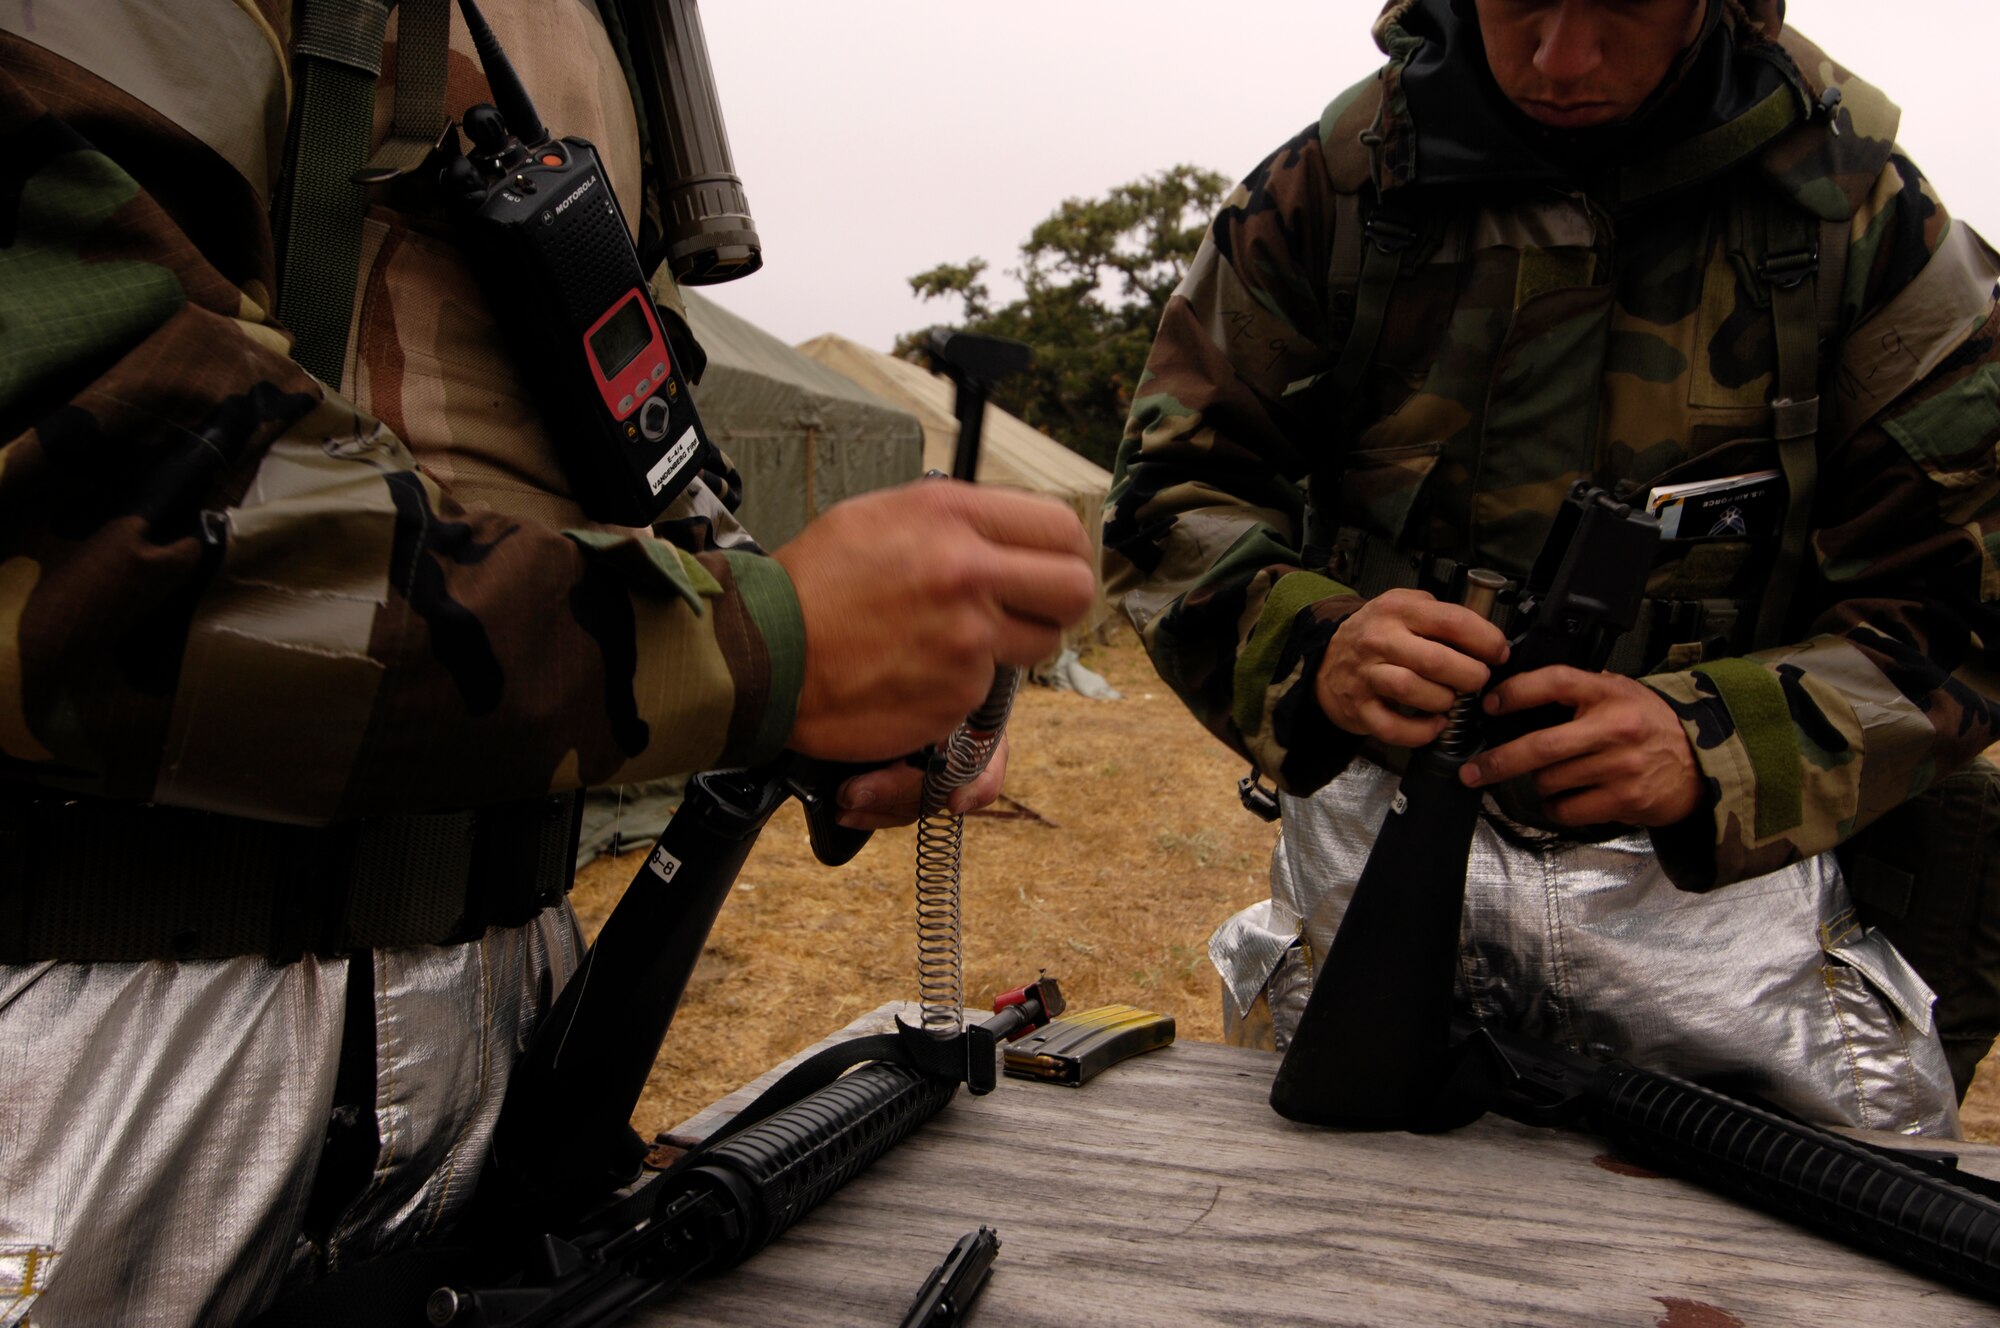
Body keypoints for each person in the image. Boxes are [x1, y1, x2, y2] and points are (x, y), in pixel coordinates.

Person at [0, 3, 1093, 1325]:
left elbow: (589, 450)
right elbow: (91, 519)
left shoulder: (595, 29)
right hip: (86, 1029)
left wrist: (821, 667)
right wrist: (756, 644)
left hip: (509, 1002)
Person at [1106, 0, 2000, 1137]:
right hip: (1373, 873)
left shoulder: (1861, 217)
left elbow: (1965, 594)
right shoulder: (1332, 190)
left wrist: (1711, 743)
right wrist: (1313, 644)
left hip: (1725, 917)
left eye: (1622, 4)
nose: (1560, 58)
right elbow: (1166, 501)